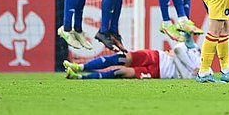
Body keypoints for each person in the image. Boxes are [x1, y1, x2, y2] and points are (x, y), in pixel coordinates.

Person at [63, 43, 200, 80]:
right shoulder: (194, 49)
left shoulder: (206, 71)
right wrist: (184, 63)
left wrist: (177, 60)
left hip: (159, 72)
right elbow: (177, 49)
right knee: (122, 57)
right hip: (156, 57)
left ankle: (79, 76)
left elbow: (186, 77)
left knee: (122, 72)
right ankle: (80, 66)